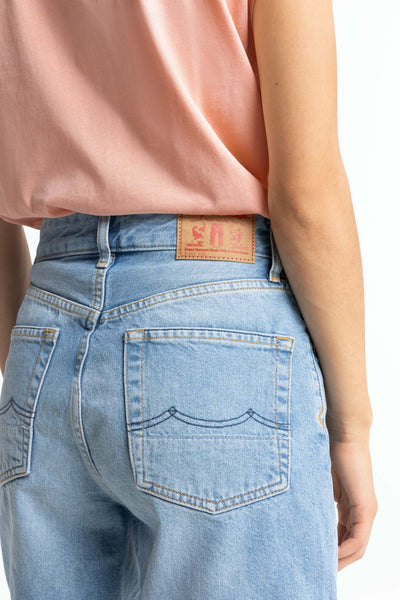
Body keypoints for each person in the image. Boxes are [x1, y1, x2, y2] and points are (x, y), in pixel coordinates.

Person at [0, 0, 377, 598]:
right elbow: (305, 197)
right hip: (215, 330)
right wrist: (351, 426)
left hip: (43, 332)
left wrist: (32, 366)